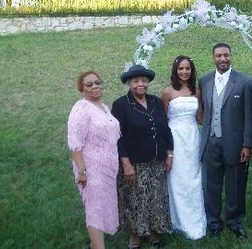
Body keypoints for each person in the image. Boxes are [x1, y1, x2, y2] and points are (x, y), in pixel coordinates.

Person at [111, 65, 173, 249]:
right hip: (134, 163)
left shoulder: (155, 102)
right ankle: (135, 235)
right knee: (134, 199)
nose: (141, 84)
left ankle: (152, 232)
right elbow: (118, 137)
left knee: (154, 197)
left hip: (156, 160)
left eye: (144, 81)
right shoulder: (121, 104)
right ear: (129, 83)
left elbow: (165, 129)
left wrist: (169, 153)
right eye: (136, 81)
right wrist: (126, 163)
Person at [199, 43, 252, 238]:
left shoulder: (245, 82)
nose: (222, 59)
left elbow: (250, 116)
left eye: (226, 55)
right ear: (213, 58)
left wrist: (247, 145)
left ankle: (234, 220)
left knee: (236, 183)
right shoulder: (204, 80)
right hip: (210, 140)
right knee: (211, 184)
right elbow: (204, 111)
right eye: (218, 56)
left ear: (231, 56)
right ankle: (214, 222)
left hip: (235, 143)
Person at [67, 71, 120, 249]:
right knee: (95, 208)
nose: (94, 86)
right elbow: (75, 143)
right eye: (89, 84)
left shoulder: (104, 107)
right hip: (91, 168)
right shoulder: (81, 108)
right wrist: (82, 171)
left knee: (103, 205)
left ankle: (93, 244)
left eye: (97, 82)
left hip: (108, 167)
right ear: (81, 88)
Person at [161, 55, 206, 240]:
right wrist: (167, 149)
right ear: (175, 71)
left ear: (192, 70)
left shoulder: (197, 92)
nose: (184, 72)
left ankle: (195, 219)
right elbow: (162, 122)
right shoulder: (167, 92)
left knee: (194, 178)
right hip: (175, 138)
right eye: (181, 69)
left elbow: (200, 119)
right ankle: (177, 220)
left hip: (193, 138)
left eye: (187, 68)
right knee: (177, 178)